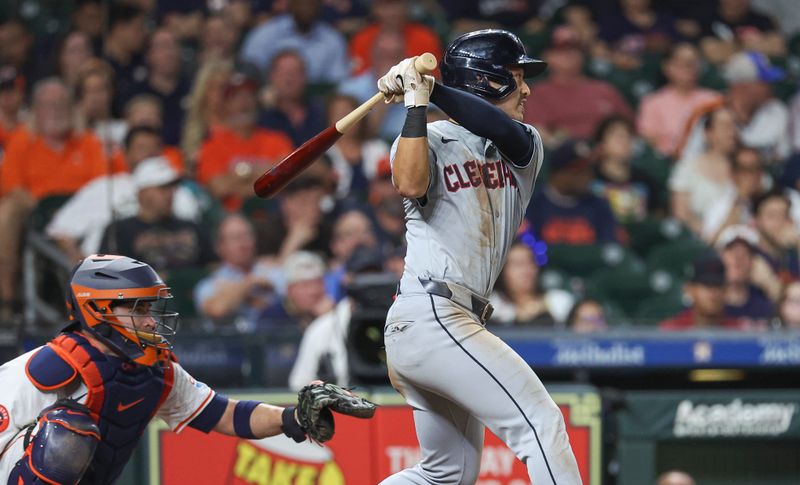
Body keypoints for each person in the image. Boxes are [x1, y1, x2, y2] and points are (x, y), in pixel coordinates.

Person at [377, 30, 581, 484]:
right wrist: (415, 103)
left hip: (450, 320)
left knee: (444, 476)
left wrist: (428, 88)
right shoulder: (424, 136)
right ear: (485, 79)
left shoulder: (524, 143)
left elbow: (494, 125)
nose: (526, 88)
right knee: (541, 425)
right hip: (430, 310)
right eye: (514, 75)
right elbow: (410, 184)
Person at [0, 254, 374, 483]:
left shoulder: (153, 369)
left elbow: (224, 414)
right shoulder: (52, 366)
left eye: (150, 309)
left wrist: (293, 419)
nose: (150, 321)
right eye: (139, 309)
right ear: (98, 308)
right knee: (67, 433)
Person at [0, 78, 109, 320]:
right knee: (6, 212)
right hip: (36, 209)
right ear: (35, 110)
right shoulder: (22, 140)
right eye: (48, 105)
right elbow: (13, 187)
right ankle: (7, 303)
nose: (55, 111)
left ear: (72, 108)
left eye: (61, 104)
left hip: (83, 212)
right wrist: (44, 211)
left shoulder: (87, 141)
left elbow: (100, 187)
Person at [46, 129, 200, 260]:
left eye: (154, 150)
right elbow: (61, 232)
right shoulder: (104, 187)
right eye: (142, 148)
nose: (149, 155)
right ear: (125, 154)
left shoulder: (180, 193)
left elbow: (193, 240)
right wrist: (86, 271)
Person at [289, 246, 385, 390]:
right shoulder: (323, 327)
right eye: (362, 276)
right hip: (343, 406)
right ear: (347, 279)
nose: (368, 283)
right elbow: (299, 384)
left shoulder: (400, 320)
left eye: (375, 276)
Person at [98, 157, 215, 275]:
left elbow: (214, 265)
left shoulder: (191, 227)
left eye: (172, 187)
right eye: (162, 188)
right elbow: (108, 275)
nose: (170, 194)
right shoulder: (120, 231)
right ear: (142, 193)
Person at [196, 71, 294, 211]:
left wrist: (238, 174)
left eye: (249, 95)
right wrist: (266, 174)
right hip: (232, 215)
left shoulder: (276, 139)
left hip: (274, 214)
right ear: (225, 105)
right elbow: (219, 188)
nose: (244, 102)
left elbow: (287, 176)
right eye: (236, 96)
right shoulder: (213, 144)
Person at [524, 26, 633, 147]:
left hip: (606, 154)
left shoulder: (604, 89)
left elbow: (628, 126)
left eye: (574, 49)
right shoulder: (539, 93)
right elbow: (537, 134)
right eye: (561, 50)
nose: (569, 55)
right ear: (547, 56)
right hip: (565, 155)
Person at [528, 139, 623, 245]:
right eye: (579, 171)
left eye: (589, 169)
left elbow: (609, 247)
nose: (587, 176)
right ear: (558, 174)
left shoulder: (599, 205)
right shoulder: (534, 205)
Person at [194, 213, 278, 330]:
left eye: (246, 236)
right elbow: (218, 310)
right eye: (235, 238)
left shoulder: (272, 271)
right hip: (228, 346)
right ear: (219, 247)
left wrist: (232, 293)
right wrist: (250, 283)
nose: (243, 243)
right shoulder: (209, 284)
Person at [636, 43, 719, 158]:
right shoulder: (653, 103)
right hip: (668, 164)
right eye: (683, 62)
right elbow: (649, 142)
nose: (689, 67)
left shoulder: (714, 99)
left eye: (693, 62)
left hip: (709, 161)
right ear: (667, 67)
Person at [239, 0, 350, 84]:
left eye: (311, 2)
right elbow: (249, 71)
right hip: (269, 103)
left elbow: (336, 83)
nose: (306, 7)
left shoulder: (333, 40)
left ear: (319, 5)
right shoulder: (266, 33)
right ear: (291, 3)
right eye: (301, 2)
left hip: (317, 108)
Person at [669, 107, 738, 236]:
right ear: (707, 133)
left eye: (734, 125)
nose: (732, 131)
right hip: (699, 240)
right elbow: (681, 214)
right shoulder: (687, 168)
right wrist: (710, 235)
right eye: (724, 125)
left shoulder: (746, 168)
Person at [592, 115, 663, 223]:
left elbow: (657, 217)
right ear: (602, 144)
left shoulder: (646, 181)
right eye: (617, 136)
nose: (624, 141)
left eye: (629, 136)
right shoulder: (589, 179)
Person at [490, 240, 574, 327]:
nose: (527, 270)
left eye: (531, 262)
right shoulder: (492, 305)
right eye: (518, 264)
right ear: (502, 271)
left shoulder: (559, 301)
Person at [659, 253, 752, 330]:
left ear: (726, 290)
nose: (713, 292)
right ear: (689, 289)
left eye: (718, 285)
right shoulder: (672, 331)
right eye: (706, 285)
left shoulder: (739, 332)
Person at [258, 50, 326, 147]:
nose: (289, 79)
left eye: (295, 72)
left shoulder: (320, 113)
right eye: (283, 73)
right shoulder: (260, 118)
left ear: (305, 77)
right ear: (271, 77)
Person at [259, 251, 334, 330]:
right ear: (289, 290)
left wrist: (328, 318)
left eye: (319, 283)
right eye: (306, 285)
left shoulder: (333, 312)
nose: (314, 291)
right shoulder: (272, 317)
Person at [717, 225, 775, 327]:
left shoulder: (765, 306)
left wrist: (770, 283)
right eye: (731, 250)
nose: (738, 257)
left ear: (754, 262)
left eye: (745, 252)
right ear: (719, 257)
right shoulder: (706, 304)